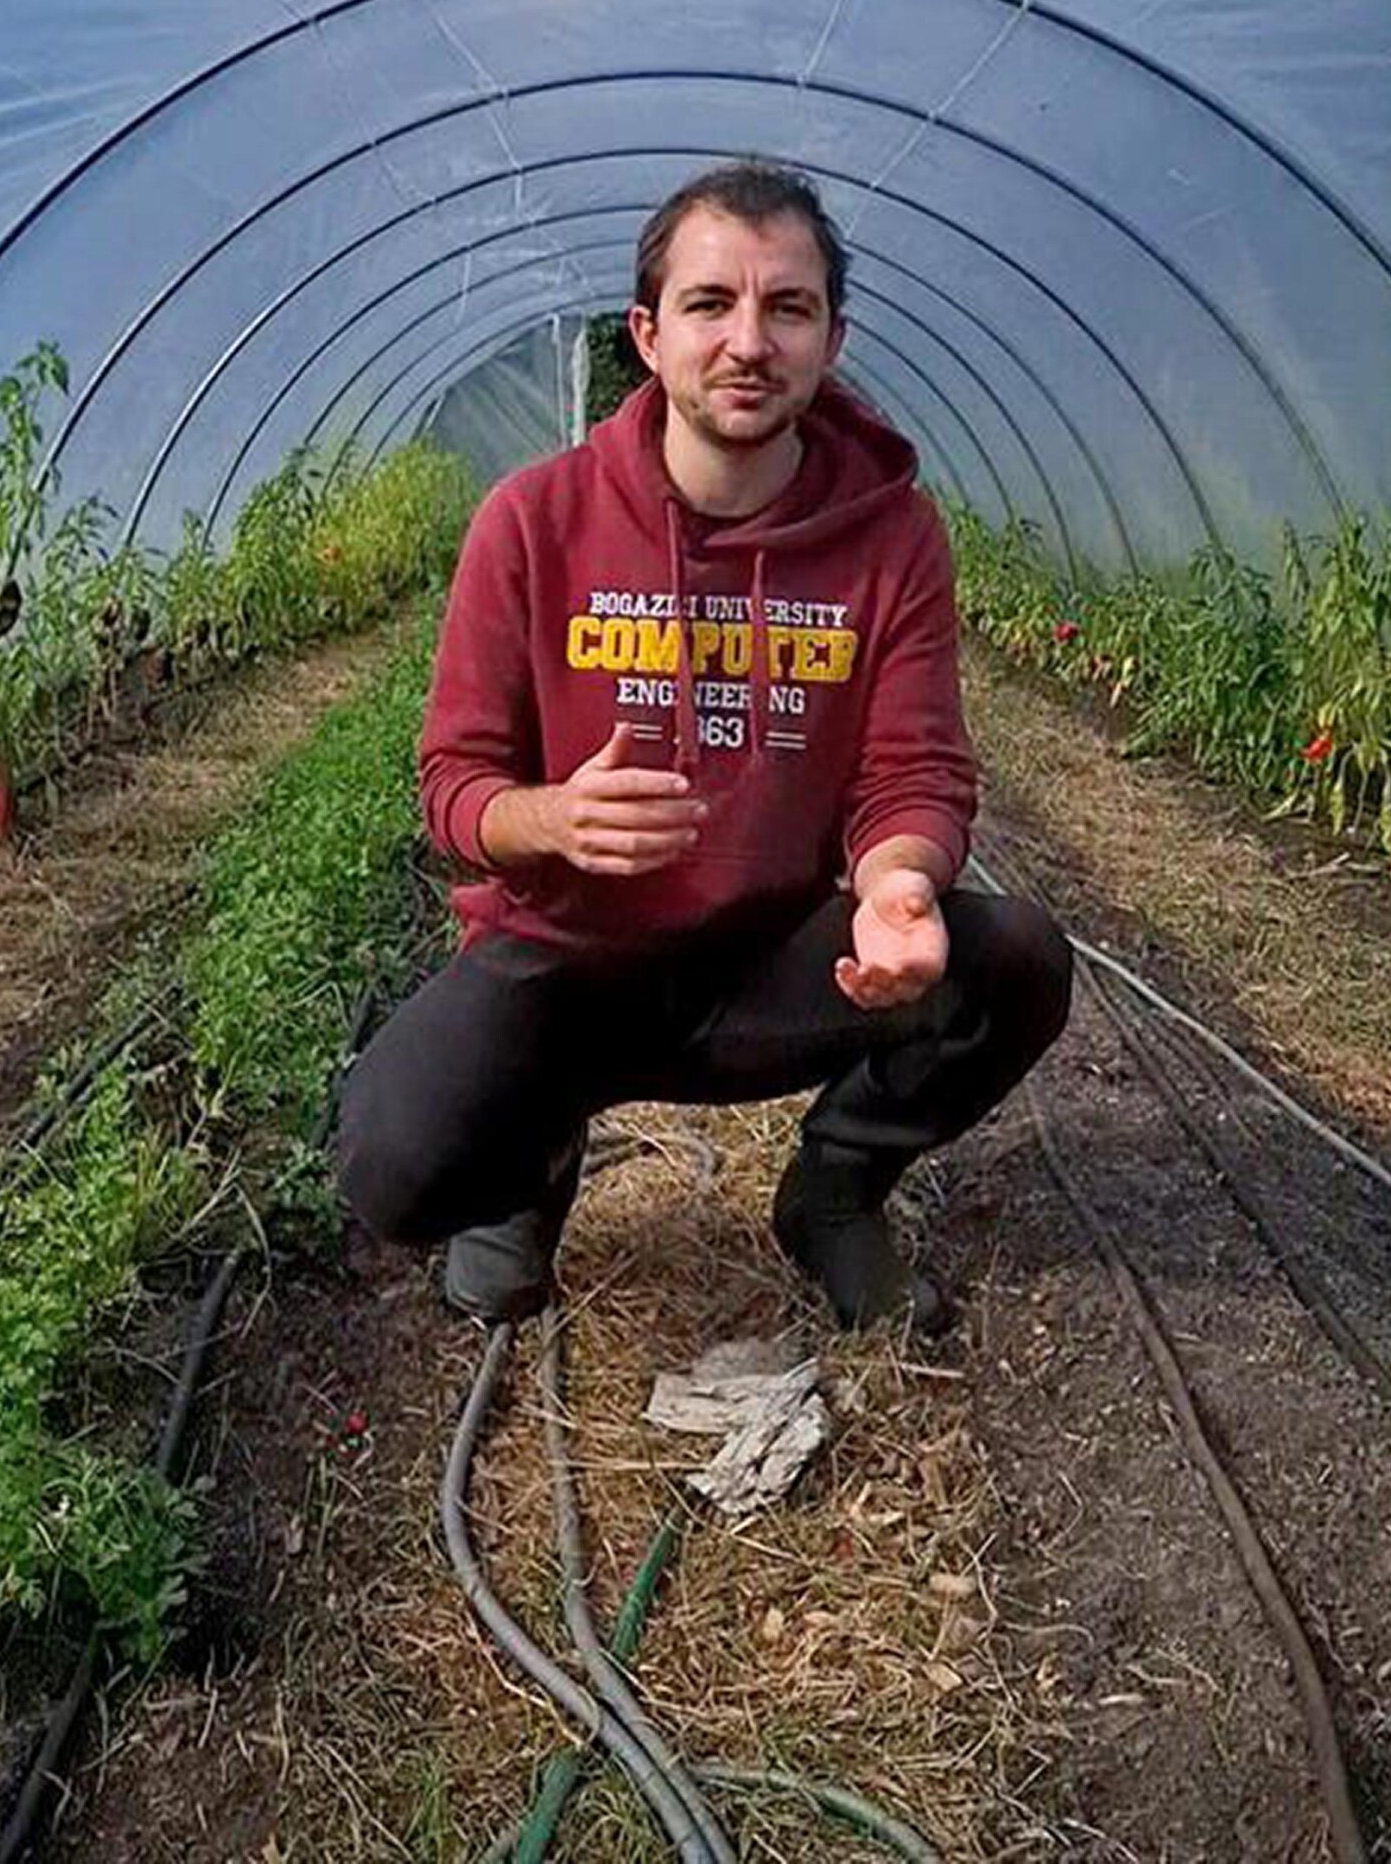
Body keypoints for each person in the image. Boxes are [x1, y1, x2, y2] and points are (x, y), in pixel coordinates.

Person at [338, 162, 1071, 1332]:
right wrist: (551, 819)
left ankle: (833, 1187)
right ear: (646, 333)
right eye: (709, 303)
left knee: (1016, 959)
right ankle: (528, 1163)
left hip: (775, 960)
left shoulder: (890, 536)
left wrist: (896, 886)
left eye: (787, 307)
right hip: (569, 964)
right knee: (389, 1156)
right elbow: (452, 783)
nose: (748, 340)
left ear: (832, 338)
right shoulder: (531, 522)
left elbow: (913, 766)